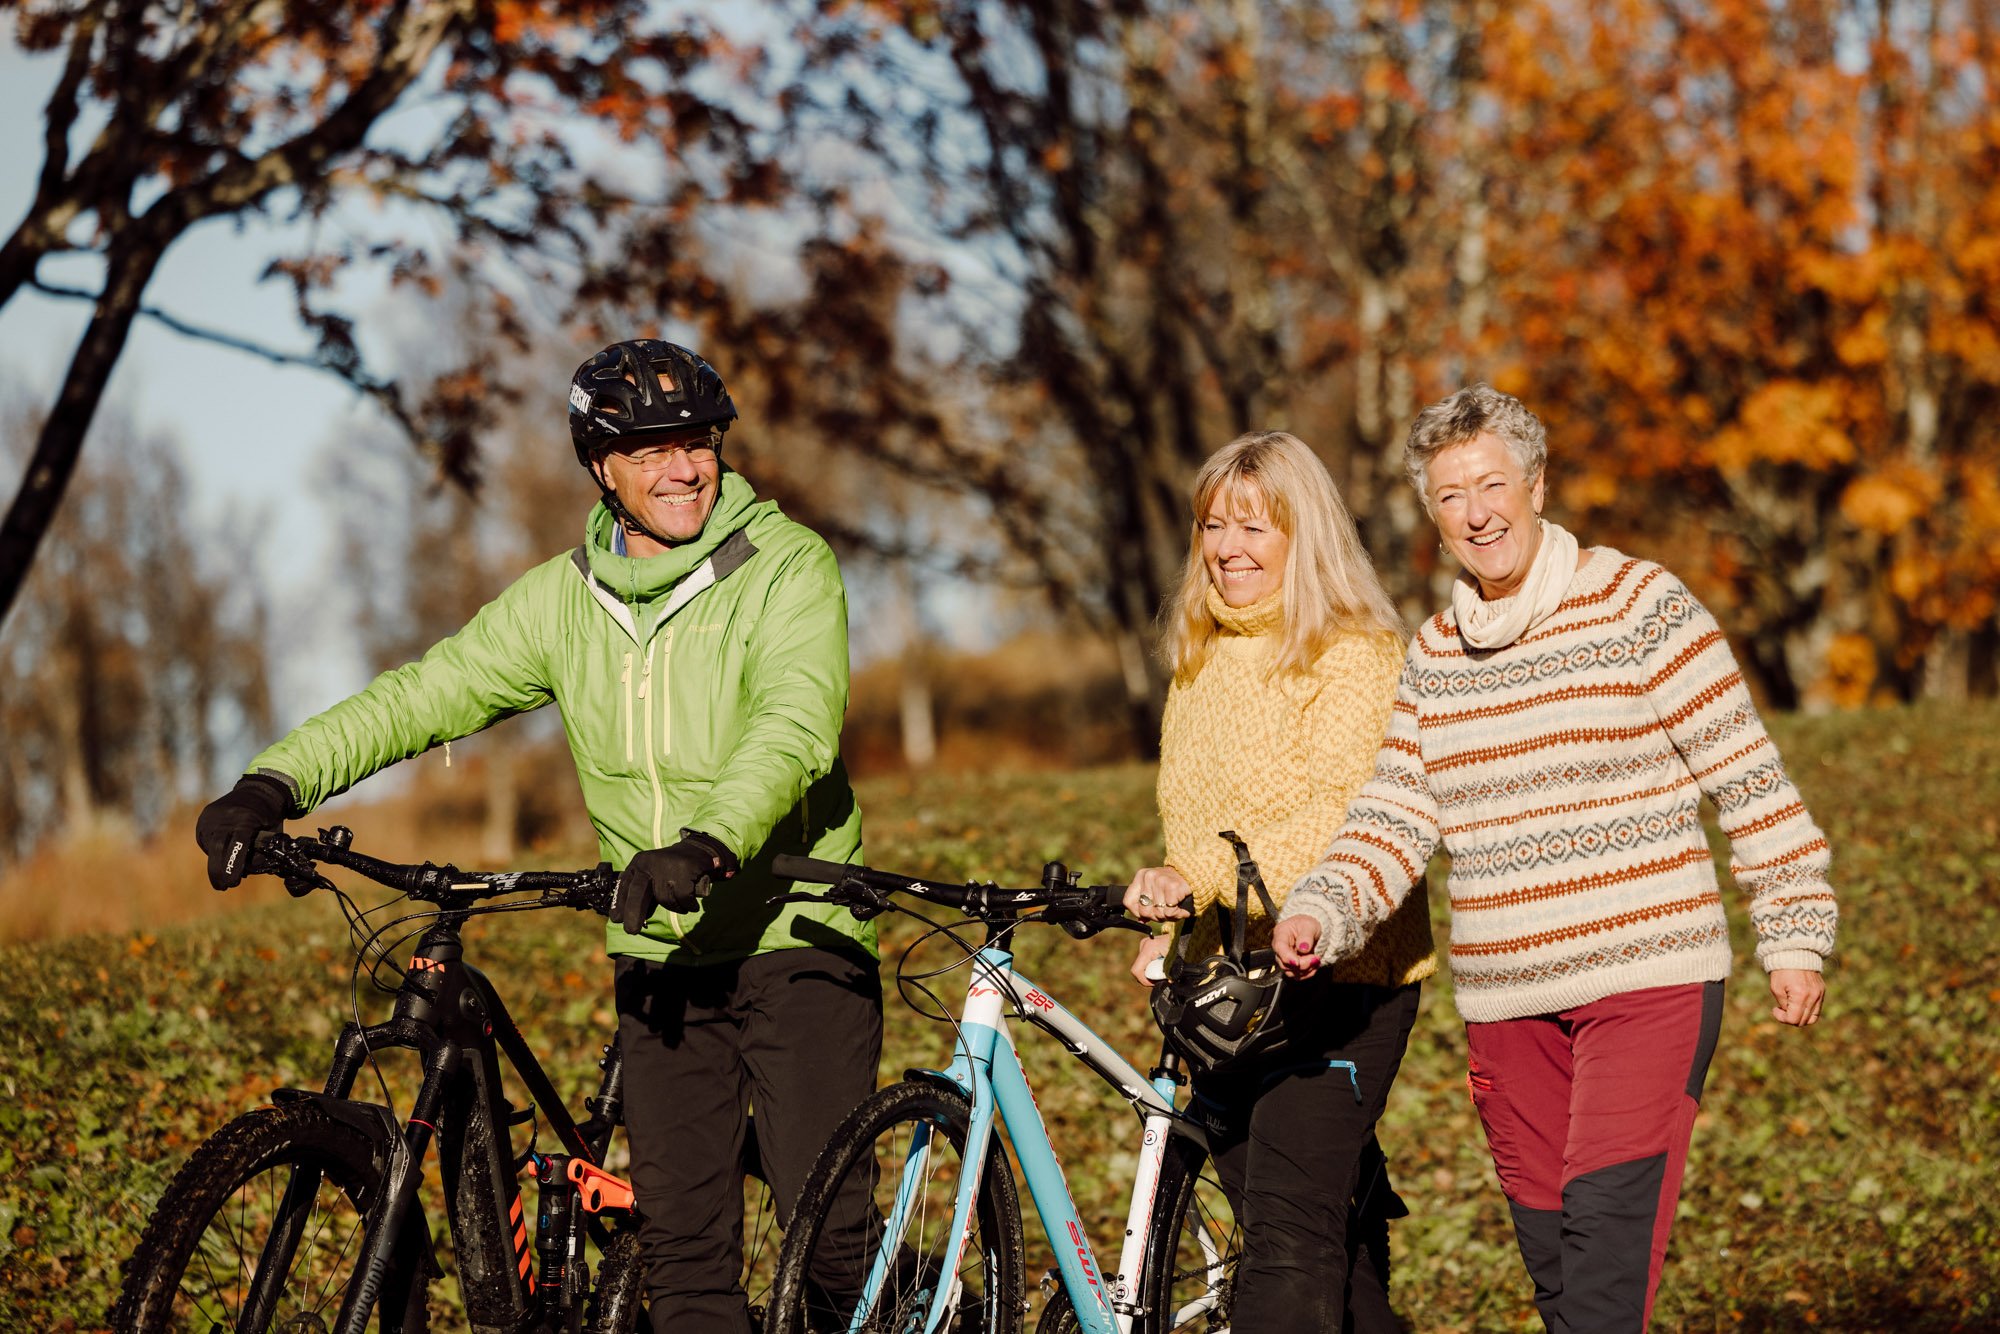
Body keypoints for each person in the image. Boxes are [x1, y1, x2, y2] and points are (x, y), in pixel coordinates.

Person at [194, 339, 880, 1334]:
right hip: (662, 945)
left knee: (830, 1240)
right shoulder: (564, 600)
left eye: (697, 442)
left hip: (794, 926)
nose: (682, 467)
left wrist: (707, 840)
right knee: (686, 1269)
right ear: (601, 466)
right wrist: (272, 781)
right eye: (649, 450)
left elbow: (791, 729)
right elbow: (423, 694)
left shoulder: (786, 566)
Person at [1272, 384, 1838, 1333]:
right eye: (1451, 497)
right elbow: (1397, 810)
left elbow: (1747, 776)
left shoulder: (1640, 605)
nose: (1477, 514)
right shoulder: (1437, 655)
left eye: (1491, 485)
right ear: (1433, 515)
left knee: (1606, 1269)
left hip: (1648, 979)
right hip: (1507, 1007)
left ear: (1537, 482)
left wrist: (1794, 932)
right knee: (1559, 1277)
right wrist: (1323, 907)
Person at [1123, 431, 1436, 1334]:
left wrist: (1198, 874)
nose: (1228, 547)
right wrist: (1175, 911)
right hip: (1236, 994)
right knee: (1319, 1251)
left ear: (1306, 536)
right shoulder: (1200, 656)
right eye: (1214, 525)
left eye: (1255, 527)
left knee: (1287, 1246)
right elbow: (1198, 823)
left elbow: (1346, 815)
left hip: (1346, 979)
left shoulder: (1356, 652)